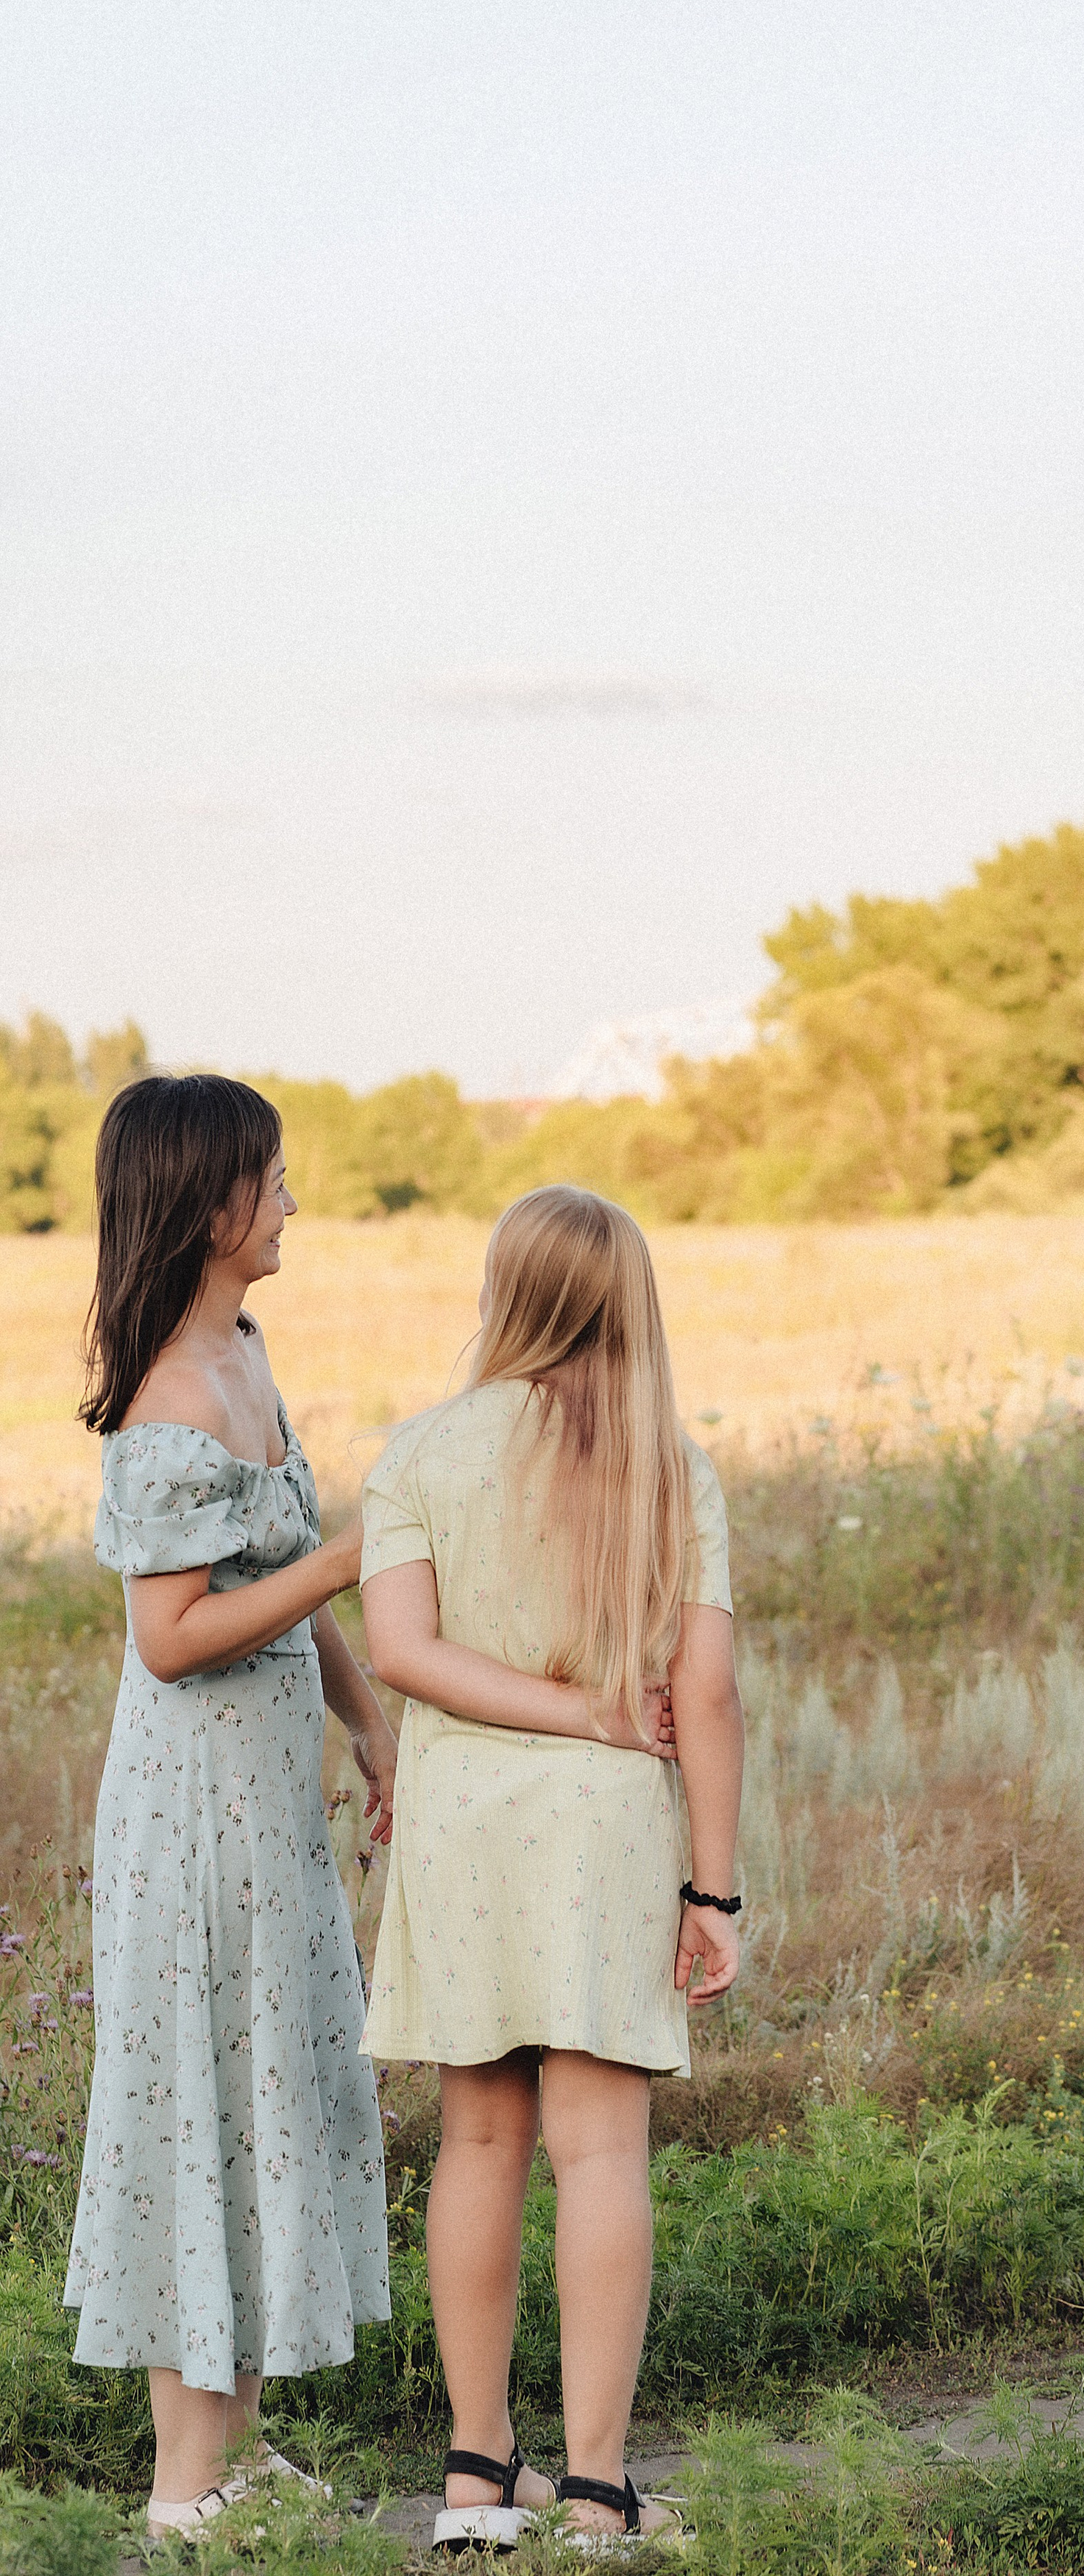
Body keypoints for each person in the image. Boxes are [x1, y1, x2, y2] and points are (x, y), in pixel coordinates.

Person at [360, 1185, 744, 2555]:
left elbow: (401, 1651)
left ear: (505, 1290)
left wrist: (535, 1706)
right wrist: (715, 1884)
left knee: (477, 2139)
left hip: (463, 1822)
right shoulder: (668, 1464)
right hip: (603, 1831)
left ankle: (474, 2479)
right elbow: (705, 1691)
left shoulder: (422, 1451)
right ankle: (594, 2488)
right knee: (599, 2150)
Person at [66, 1076, 395, 2541]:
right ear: (210, 1206)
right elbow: (176, 1633)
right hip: (192, 1817)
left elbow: (278, 1563)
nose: (292, 1202)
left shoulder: (245, 1352)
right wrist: (342, 1566)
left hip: (266, 1813)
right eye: (272, 1180)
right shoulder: (170, 1399)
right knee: (200, 2102)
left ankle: (238, 2451)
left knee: (264, 2098)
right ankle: (179, 2490)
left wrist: (370, 1718)